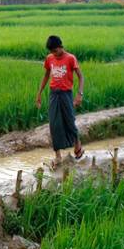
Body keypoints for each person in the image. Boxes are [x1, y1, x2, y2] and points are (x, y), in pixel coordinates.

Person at [35, 35, 84, 166]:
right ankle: (57, 156)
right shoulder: (49, 58)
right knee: (54, 124)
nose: (54, 54)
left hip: (66, 94)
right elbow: (46, 76)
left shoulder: (70, 58)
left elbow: (80, 77)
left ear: (61, 47)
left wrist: (79, 94)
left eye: (55, 51)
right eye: (51, 52)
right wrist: (39, 93)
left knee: (69, 121)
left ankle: (77, 145)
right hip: (54, 95)